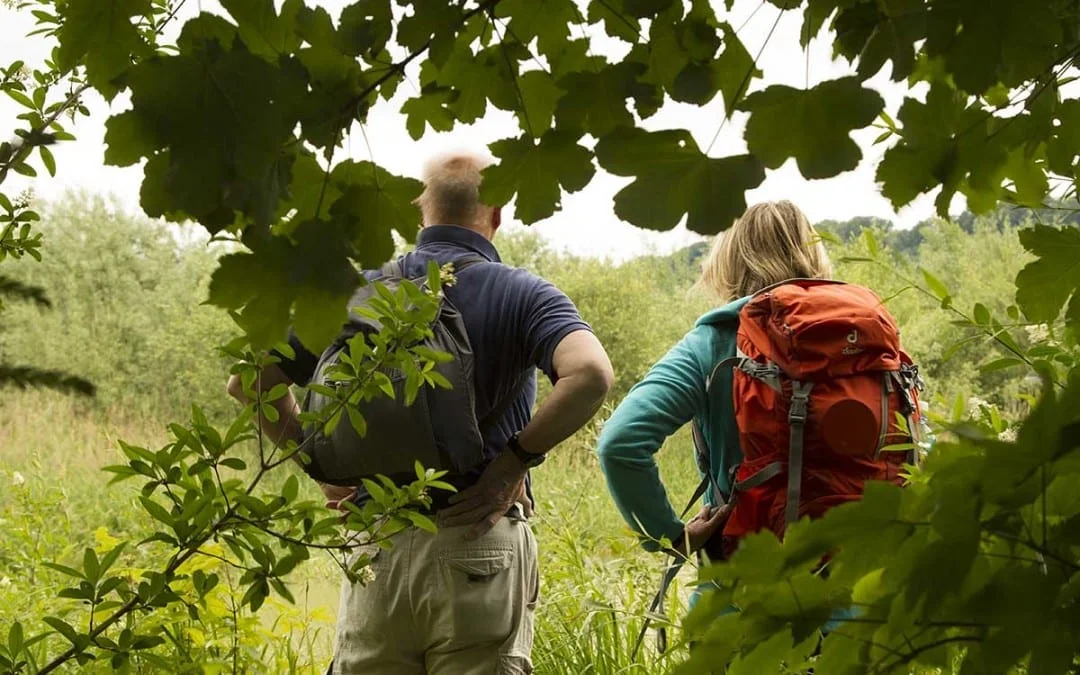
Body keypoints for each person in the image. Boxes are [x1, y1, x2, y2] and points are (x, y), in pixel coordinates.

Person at [227, 151, 614, 674]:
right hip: (479, 538)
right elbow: (591, 374)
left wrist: (322, 467)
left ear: (419, 211)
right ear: (496, 213)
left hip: (377, 545)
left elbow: (249, 381)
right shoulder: (521, 292)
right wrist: (512, 464)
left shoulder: (352, 293)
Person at [595, 200, 832, 571]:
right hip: (857, 576)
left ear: (729, 259)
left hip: (744, 578)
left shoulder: (715, 343)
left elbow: (620, 442)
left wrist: (671, 537)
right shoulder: (863, 333)